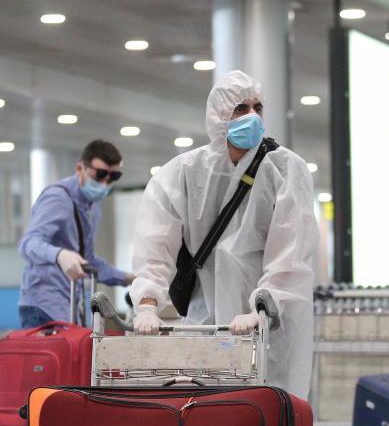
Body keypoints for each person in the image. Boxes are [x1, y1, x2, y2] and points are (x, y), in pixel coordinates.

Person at [130, 70, 317, 402]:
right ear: (218, 116)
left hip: (268, 325)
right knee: (207, 414)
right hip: (205, 321)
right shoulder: (181, 173)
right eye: (240, 108)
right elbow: (155, 247)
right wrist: (146, 305)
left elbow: (291, 252)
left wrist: (265, 304)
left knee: (268, 414)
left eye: (257, 107)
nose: (252, 117)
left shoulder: (286, 169)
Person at [17, 139, 135, 328]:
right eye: (99, 175)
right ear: (80, 168)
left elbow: (87, 261)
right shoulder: (58, 198)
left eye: (112, 178)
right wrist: (60, 255)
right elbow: (28, 244)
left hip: (71, 303)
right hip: (44, 308)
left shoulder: (93, 206)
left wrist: (129, 278)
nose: (104, 184)